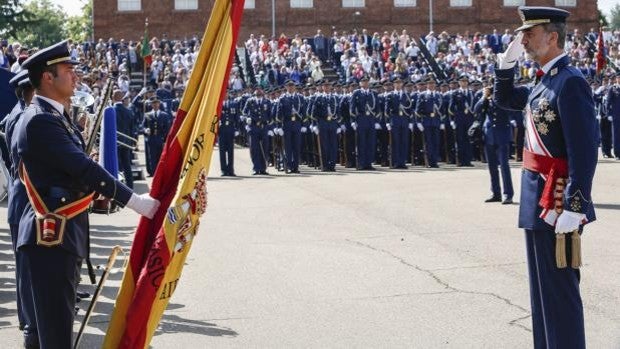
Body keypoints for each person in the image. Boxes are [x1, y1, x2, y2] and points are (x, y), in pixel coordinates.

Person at [12, 40, 160, 348]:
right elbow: (82, 168)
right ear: (47, 77)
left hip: (60, 235)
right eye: (67, 70)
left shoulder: (57, 117)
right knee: (54, 336)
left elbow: (68, 176)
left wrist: (94, 195)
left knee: (49, 333)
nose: (75, 76)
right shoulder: (40, 119)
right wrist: (136, 201)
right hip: (50, 238)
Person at [494, 8, 597, 348]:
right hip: (536, 198)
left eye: (530, 33)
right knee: (541, 294)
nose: (522, 39)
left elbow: (584, 150)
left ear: (552, 37)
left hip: (558, 202)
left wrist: (575, 206)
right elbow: (506, 100)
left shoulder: (571, 82)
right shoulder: (544, 79)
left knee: (560, 294)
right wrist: (505, 69)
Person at [474, 85, 514, 204]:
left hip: (502, 135)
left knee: (504, 166)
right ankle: (496, 193)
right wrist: (484, 97)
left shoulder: (504, 99)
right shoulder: (486, 100)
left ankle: (508, 194)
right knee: (492, 167)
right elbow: (476, 109)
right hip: (489, 135)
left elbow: (508, 109)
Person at [142, 97, 172, 175]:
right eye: (154, 103)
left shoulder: (164, 115)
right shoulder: (147, 115)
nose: (155, 105)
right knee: (152, 157)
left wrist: (165, 140)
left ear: (159, 104)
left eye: (157, 103)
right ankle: (153, 173)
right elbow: (143, 126)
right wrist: (145, 130)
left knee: (160, 157)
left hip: (160, 139)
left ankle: (161, 173)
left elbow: (167, 129)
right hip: (151, 138)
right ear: (151, 104)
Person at [605, 73, 620, 159]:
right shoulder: (613, 88)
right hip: (616, 115)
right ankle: (617, 153)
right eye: (618, 78)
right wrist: (609, 114)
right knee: (616, 135)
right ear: (616, 79)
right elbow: (608, 102)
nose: (619, 79)